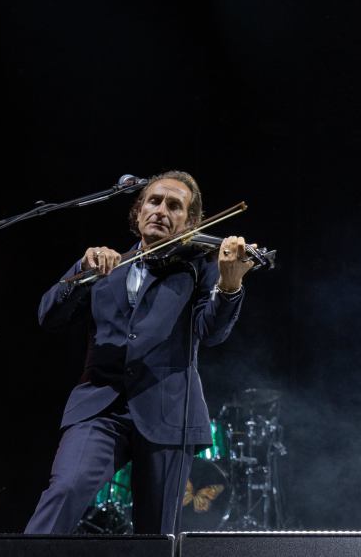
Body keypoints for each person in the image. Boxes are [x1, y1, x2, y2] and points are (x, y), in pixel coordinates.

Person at [25, 170, 254, 535]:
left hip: (169, 412)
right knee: (65, 490)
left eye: (174, 206)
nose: (161, 211)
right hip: (100, 408)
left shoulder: (197, 268)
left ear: (191, 222)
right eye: (154, 201)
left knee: (155, 534)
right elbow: (48, 316)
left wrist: (230, 284)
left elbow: (211, 333)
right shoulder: (107, 265)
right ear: (138, 211)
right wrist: (82, 271)